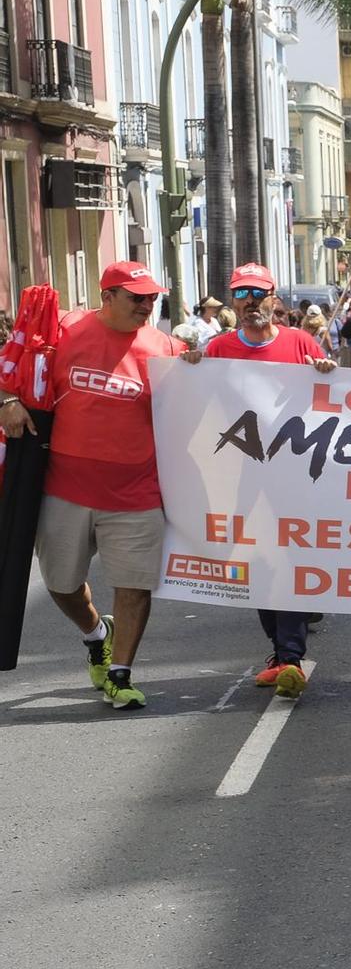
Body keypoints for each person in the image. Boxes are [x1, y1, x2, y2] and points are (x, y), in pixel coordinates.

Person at [0, 262, 183, 709]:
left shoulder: (167, 348)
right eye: (136, 298)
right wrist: (7, 400)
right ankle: (97, 632)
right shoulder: (64, 331)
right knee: (62, 585)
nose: (146, 306)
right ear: (107, 296)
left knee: (134, 586)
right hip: (66, 489)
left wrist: (196, 367)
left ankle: (120, 674)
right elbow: (13, 366)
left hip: (136, 493)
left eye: (152, 298)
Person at [181, 263, 338, 698]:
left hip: (293, 476)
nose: (250, 301)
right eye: (241, 294)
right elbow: (194, 404)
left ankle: (289, 656)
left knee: (284, 556)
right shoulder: (217, 350)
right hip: (239, 476)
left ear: (274, 300)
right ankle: (280, 649)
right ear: (233, 302)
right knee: (256, 562)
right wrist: (188, 368)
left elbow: (336, 402)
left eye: (258, 293)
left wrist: (327, 373)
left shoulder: (300, 341)